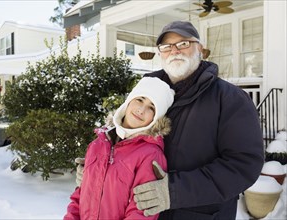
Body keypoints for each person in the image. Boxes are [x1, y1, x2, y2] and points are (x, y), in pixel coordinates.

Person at [75, 21, 265, 220]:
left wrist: (173, 191)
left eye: (183, 43)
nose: (174, 50)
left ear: (200, 49)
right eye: (166, 47)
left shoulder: (229, 98)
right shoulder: (150, 92)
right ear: (160, 54)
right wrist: (98, 169)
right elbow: (129, 136)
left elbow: (243, 165)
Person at [64, 77, 175, 220]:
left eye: (151, 107)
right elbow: (79, 197)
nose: (141, 110)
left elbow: (141, 213)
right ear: (128, 102)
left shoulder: (150, 155)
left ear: (156, 118)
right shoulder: (98, 144)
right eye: (139, 100)